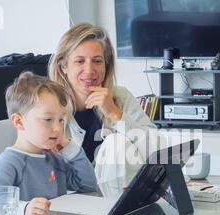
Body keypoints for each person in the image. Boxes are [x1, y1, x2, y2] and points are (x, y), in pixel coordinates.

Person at [49, 23, 163, 184]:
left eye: (97, 61)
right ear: (63, 67)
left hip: (122, 196)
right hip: (73, 198)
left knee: (116, 143)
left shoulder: (121, 96)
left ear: (106, 65)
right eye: (80, 61)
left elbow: (159, 152)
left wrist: (115, 114)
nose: (89, 70)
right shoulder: (47, 106)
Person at [0, 71, 97, 215]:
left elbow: (87, 186)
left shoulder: (55, 159)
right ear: (19, 122)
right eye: (48, 119)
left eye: (61, 120)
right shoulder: (9, 162)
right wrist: (23, 210)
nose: (58, 128)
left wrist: (70, 148)